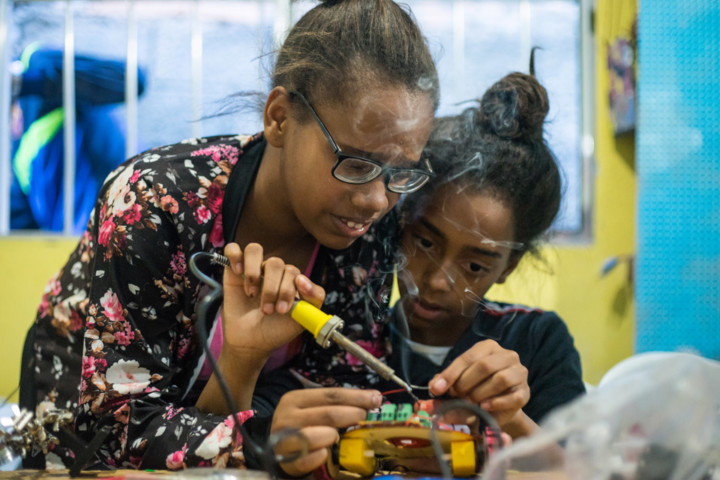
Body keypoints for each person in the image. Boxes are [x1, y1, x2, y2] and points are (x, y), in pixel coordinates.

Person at [22, 0, 438, 473]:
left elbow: (342, 387)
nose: (377, 200)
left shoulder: (369, 229)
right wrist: (261, 434)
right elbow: (113, 428)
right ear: (279, 118)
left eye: (401, 172)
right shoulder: (154, 201)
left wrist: (263, 401)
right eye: (356, 165)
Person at [376, 70, 586, 439]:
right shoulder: (354, 341)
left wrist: (512, 419)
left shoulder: (536, 341)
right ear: (402, 222)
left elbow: (577, 465)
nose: (437, 281)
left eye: (474, 265)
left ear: (508, 267)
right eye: (425, 243)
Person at [10, 45, 146, 232]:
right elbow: (22, 224)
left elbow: (132, 81)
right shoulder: (15, 154)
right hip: (84, 240)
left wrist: (23, 82)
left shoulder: (36, 64)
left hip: (131, 212)